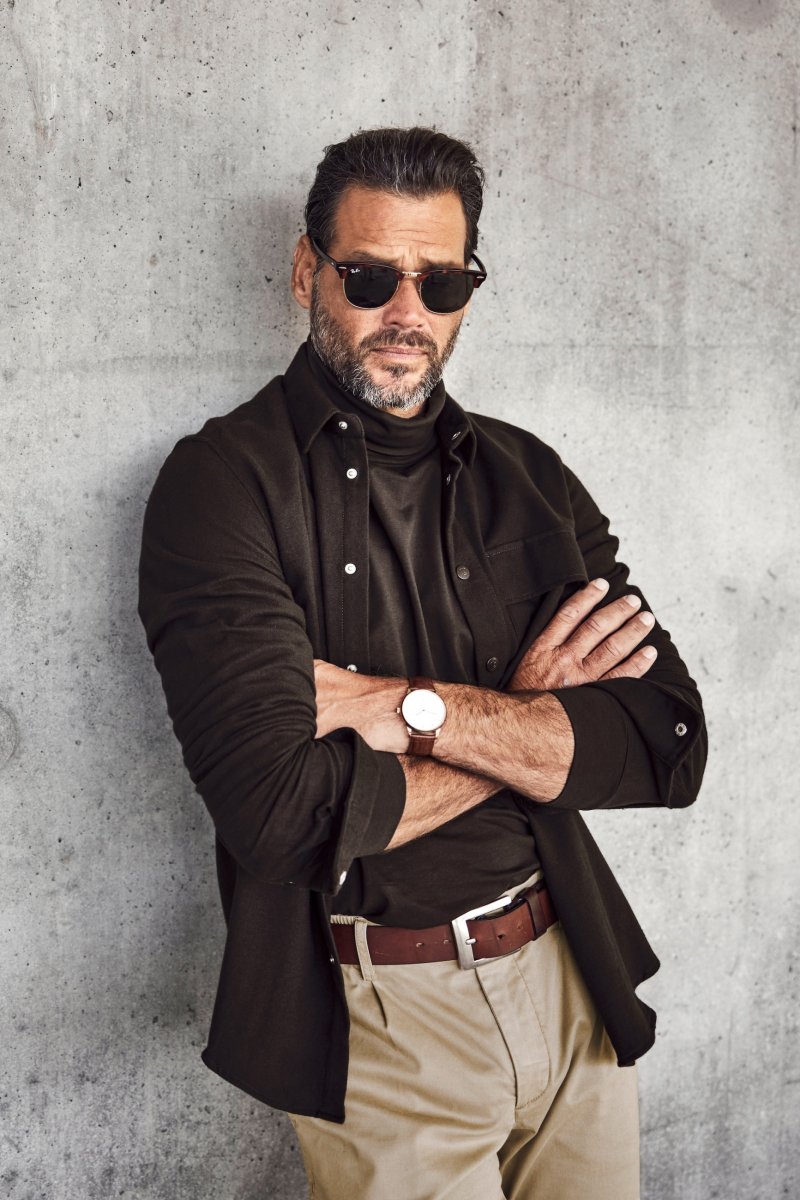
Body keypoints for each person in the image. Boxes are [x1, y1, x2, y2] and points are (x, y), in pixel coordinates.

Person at [138, 126, 707, 1200]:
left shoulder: (529, 475)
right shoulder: (221, 487)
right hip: (381, 1019)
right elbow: (281, 816)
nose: (408, 312)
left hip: (569, 979)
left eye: (441, 282)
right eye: (370, 277)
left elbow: (666, 744)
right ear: (307, 271)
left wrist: (411, 710)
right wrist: (529, 720)